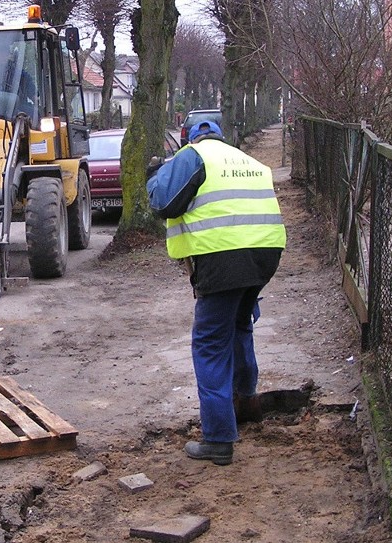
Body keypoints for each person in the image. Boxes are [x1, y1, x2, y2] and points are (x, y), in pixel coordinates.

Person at [146, 120, 286, 465]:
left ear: (190, 137)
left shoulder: (193, 156)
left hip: (223, 257)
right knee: (240, 324)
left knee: (210, 343)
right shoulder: (246, 160)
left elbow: (164, 203)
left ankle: (218, 438)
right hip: (266, 253)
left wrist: (153, 175)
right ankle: (245, 402)